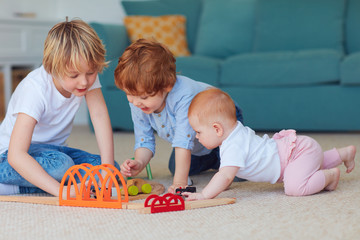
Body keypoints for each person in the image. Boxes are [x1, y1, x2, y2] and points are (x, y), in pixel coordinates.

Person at [0, 19, 118, 196]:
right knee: (62, 167)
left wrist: (106, 170)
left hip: (54, 152)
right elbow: (16, 155)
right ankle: (15, 187)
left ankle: (42, 182)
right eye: (74, 75)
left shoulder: (83, 75)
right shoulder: (35, 89)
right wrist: (62, 192)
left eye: (91, 73)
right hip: (9, 158)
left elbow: (99, 115)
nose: (84, 81)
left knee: (110, 167)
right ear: (52, 68)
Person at [114, 39, 243, 193]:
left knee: (239, 171)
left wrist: (179, 183)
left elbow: (183, 142)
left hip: (222, 119)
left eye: (144, 97)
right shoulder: (137, 101)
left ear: (167, 85)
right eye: (129, 94)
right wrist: (140, 162)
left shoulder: (184, 96)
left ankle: (230, 155)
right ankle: (215, 158)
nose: (136, 102)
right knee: (175, 166)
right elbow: (144, 140)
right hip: (199, 139)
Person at [182, 88, 356, 200]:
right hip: (300, 151)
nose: (197, 137)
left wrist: (205, 195)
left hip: (297, 152)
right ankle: (342, 154)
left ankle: (330, 176)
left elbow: (225, 176)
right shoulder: (235, 132)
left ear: (217, 129)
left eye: (199, 131)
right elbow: (228, 174)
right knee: (307, 165)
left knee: (295, 186)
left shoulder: (233, 145)